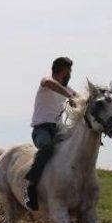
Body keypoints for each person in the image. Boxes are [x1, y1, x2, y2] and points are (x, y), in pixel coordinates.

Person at [24, 57, 78, 210]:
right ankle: (31, 186)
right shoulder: (47, 81)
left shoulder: (68, 89)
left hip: (59, 130)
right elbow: (50, 83)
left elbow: (82, 99)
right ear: (64, 71)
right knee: (47, 148)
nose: (70, 74)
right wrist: (70, 96)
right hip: (41, 129)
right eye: (70, 71)